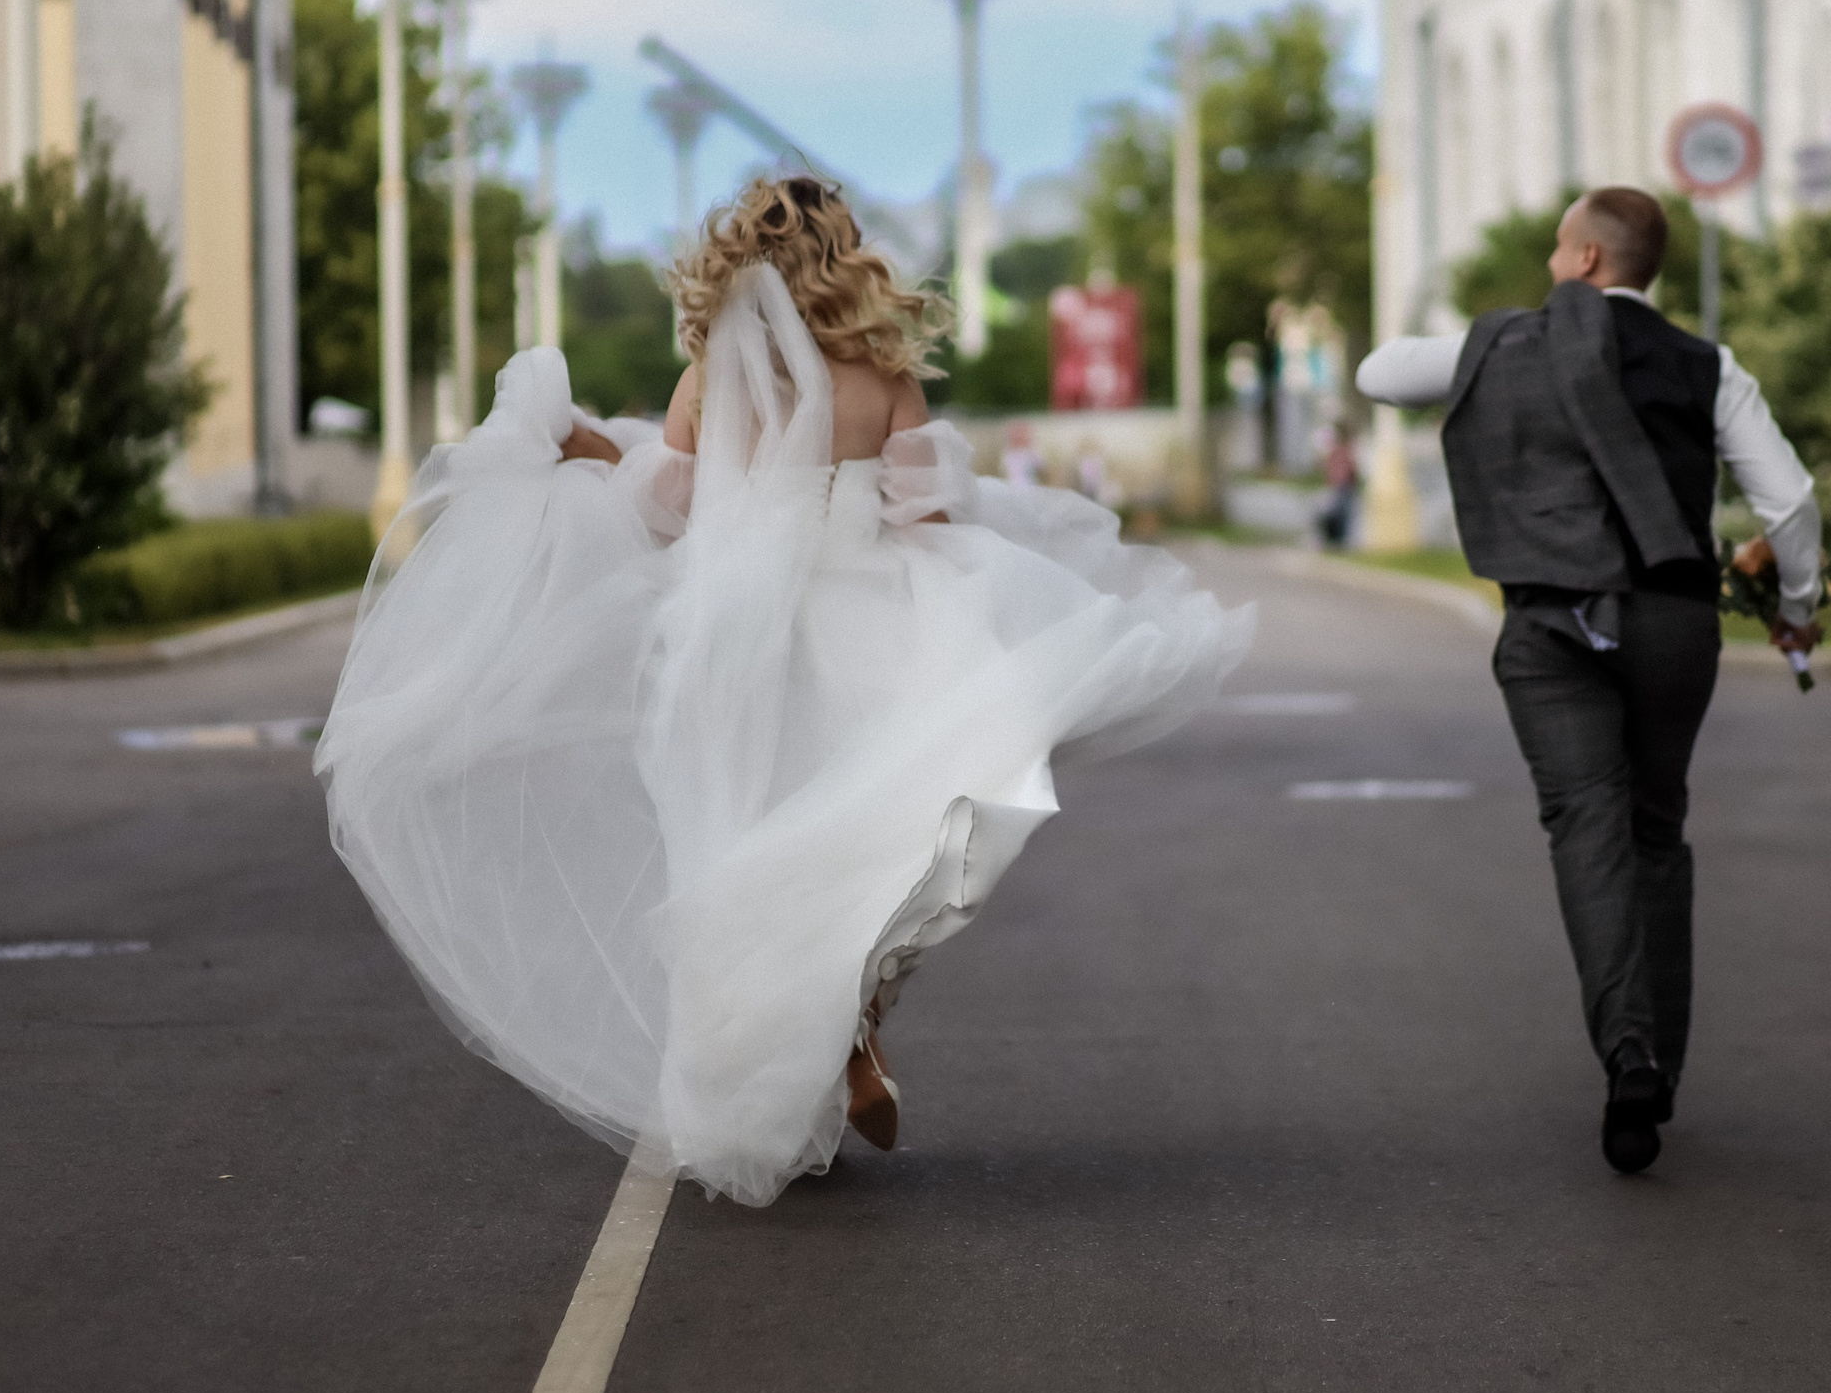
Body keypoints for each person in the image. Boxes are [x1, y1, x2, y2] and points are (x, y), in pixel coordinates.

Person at [317, 176, 1251, 1207]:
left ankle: (766, 1084)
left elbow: (666, 513)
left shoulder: (712, 382)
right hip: (864, 632)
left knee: (740, 855)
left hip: (732, 654)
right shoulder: (884, 376)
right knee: (871, 851)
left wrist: (592, 452)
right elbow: (928, 524)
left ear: (740, 263)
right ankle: (853, 1037)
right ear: (847, 257)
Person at [1354, 187, 1821, 1175]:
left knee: (1585, 827)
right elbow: (1788, 498)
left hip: (1549, 625)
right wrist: (1801, 605)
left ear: (1583, 261)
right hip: (1672, 619)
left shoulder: (1504, 343)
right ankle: (1661, 1069)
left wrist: (1493, 340)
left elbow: (1377, 372)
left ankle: (1628, 1051)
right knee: (1657, 830)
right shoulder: (1709, 365)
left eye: (1559, 250)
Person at [1313, 422, 1360, 549]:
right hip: (1341, 488)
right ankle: (1337, 542)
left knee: (1342, 516)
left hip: (1343, 487)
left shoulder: (1339, 453)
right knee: (1339, 516)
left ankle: (1340, 542)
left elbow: (1347, 471)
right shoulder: (1338, 453)